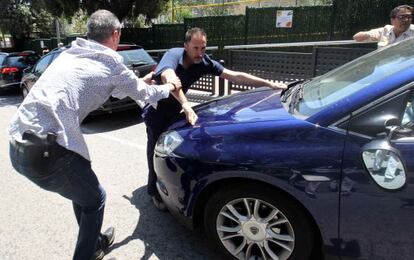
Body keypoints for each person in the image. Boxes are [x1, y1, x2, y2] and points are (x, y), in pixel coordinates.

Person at [8, 10, 180, 260]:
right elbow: (144, 94)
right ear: (115, 33)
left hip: (17, 143)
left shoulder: (72, 52)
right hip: (49, 151)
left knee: (82, 192)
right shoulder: (111, 61)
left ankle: (95, 240)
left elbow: (116, 90)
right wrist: (168, 87)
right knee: (95, 198)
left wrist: (138, 82)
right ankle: (87, 254)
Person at [144, 27, 287, 210]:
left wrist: (267, 83)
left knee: (176, 147)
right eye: (195, 48)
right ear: (185, 45)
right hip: (157, 110)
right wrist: (186, 104)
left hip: (175, 110)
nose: (200, 53)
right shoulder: (173, 54)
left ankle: (172, 184)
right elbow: (167, 76)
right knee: (155, 148)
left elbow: (234, 76)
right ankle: (153, 191)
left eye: (203, 48)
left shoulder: (204, 62)